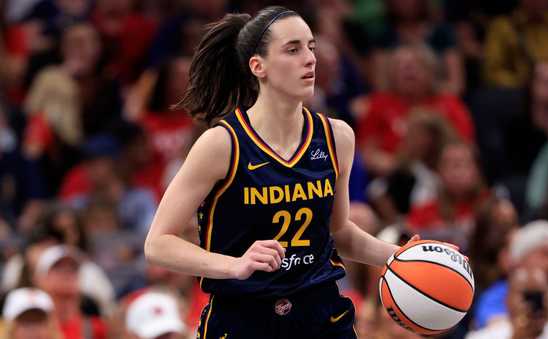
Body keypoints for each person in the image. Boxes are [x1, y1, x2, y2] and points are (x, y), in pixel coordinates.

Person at [143, 6, 447, 339]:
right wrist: (233, 265)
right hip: (243, 319)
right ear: (258, 66)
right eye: (293, 49)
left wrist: (403, 257)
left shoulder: (337, 137)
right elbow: (158, 243)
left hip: (319, 314)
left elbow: (339, 232)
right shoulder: (222, 143)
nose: (310, 59)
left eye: (311, 47)